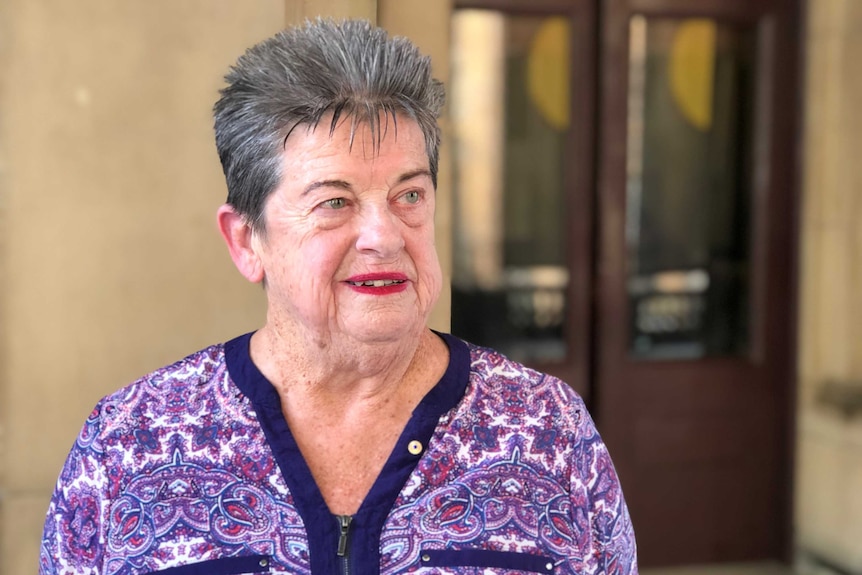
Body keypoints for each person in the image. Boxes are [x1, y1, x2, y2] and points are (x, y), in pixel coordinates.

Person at [39, 18, 637, 575]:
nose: (383, 237)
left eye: (409, 196)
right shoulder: (128, 443)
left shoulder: (547, 429)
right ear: (247, 241)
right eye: (334, 201)